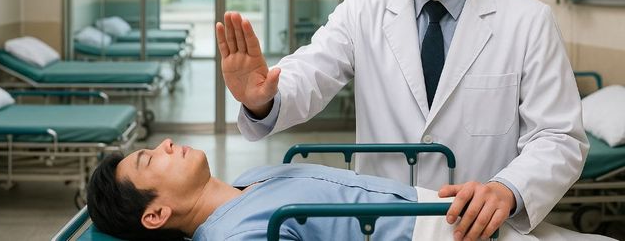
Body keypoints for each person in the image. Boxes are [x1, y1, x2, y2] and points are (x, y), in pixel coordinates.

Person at [215, 0, 589, 241]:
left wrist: (507, 188)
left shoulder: (527, 21)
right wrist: (262, 99)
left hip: (476, 231)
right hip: (382, 228)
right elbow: (311, 71)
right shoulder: (362, 9)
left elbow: (558, 137)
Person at [86, 139, 610, 241]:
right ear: (155, 215)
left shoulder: (256, 176)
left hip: (450, 211)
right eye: (150, 159)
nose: (166, 144)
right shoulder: (237, 235)